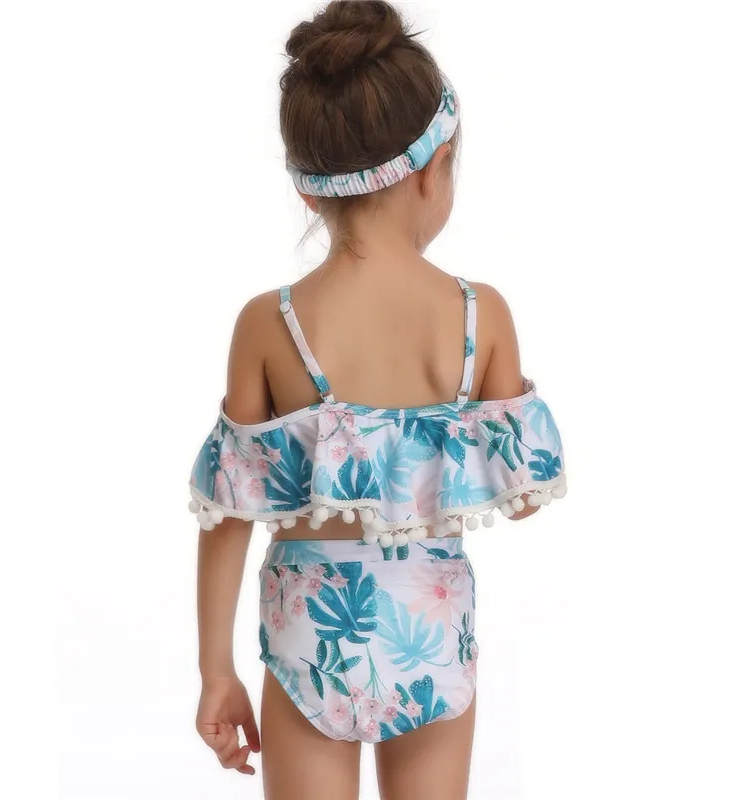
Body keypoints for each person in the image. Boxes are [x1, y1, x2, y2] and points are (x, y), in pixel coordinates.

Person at [188, 2, 565, 798]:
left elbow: (227, 513)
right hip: (429, 631)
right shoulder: (480, 316)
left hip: (309, 635)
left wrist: (216, 671)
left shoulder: (269, 324)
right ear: (436, 166)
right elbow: (525, 499)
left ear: (311, 191)